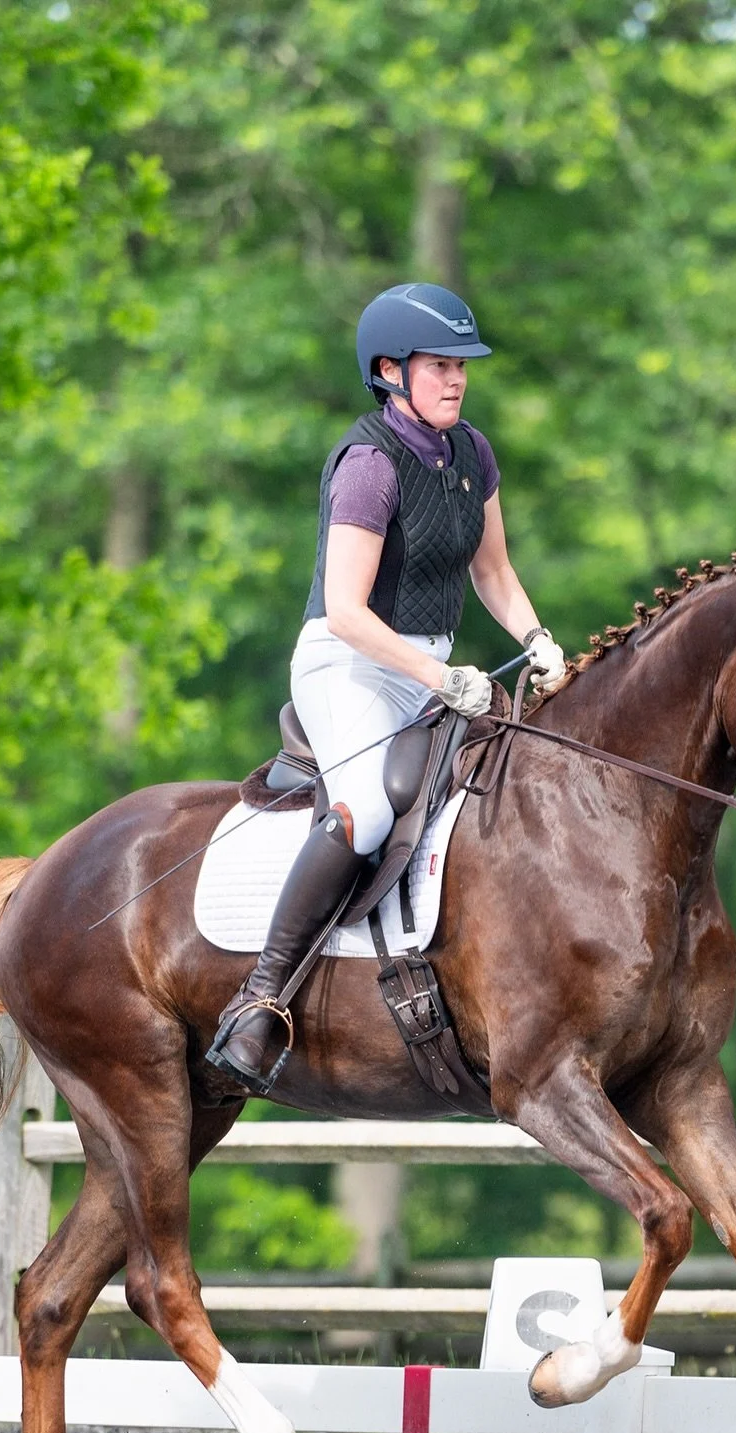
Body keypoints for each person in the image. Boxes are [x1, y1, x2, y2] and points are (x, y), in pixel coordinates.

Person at [205, 281, 567, 1094]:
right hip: (351, 666)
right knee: (366, 810)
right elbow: (345, 611)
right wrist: (442, 676)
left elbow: (495, 571)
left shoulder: (472, 453)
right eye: (440, 366)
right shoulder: (370, 464)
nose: (457, 380)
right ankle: (260, 999)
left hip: (435, 671)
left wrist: (536, 638)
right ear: (389, 371)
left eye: (462, 367)